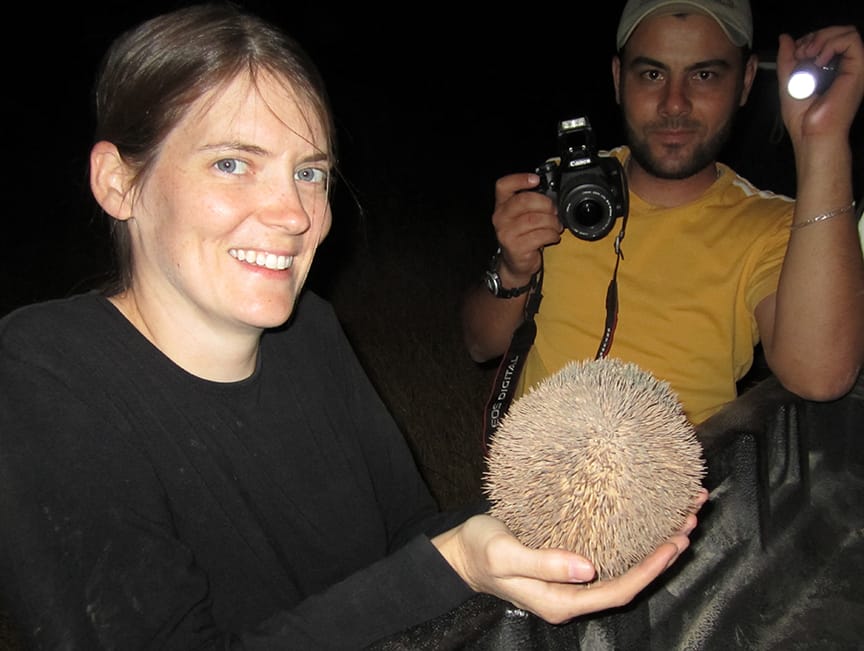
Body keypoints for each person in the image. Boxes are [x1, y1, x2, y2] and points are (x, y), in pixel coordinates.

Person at [0, 3, 707, 649]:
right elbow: (425, 567)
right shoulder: (46, 374)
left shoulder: (310, 329)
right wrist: (455, 562)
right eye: (231, 163)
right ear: (118, 182)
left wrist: (553, 533)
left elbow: (404, 538)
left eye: (310, 173)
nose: (294, 214)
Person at [461, 0, 864, 426]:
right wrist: (512, 270)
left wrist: (822, 139)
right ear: (619, 79)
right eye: (652, 74)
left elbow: (820, 376)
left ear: (745, 82)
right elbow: (479, 345)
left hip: (666, 488)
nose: (675, 104)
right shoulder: (566, 190)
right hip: (533, 480)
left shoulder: (774, 227)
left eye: (704, 75)